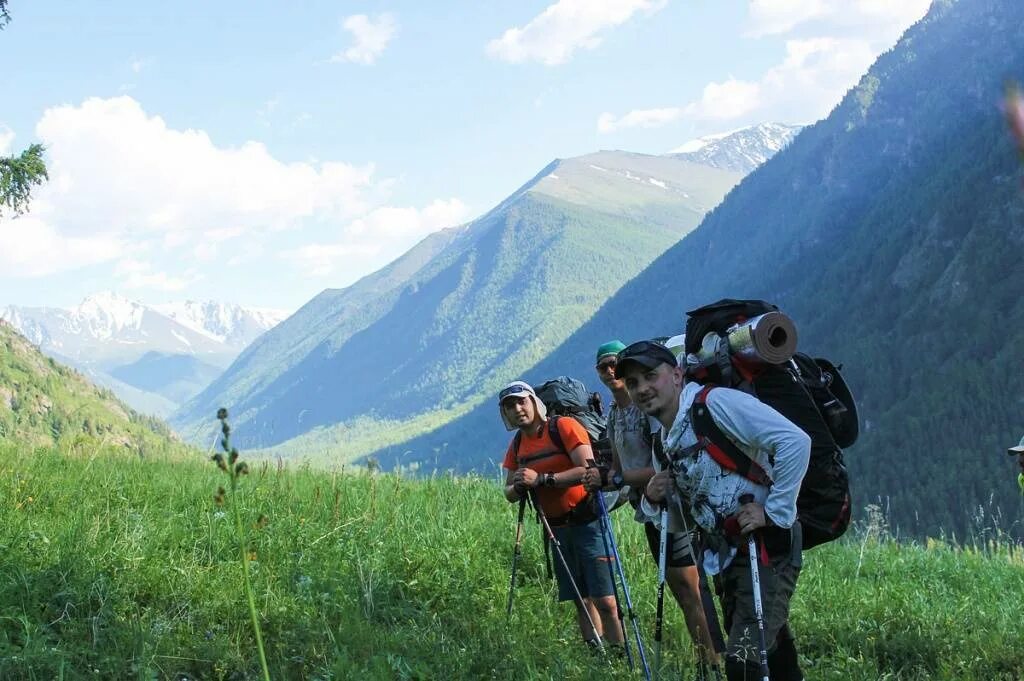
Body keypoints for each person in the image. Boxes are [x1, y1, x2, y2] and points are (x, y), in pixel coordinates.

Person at [615, 340, 810, 681]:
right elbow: (678, 522)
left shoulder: (716, 403)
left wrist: (774, 512)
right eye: (632, 383)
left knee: (745, 661)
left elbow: (795, 442)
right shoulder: (665, 439)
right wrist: (652, 498)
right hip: (726, 556)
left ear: (676, 375)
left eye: (650, 376)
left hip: (765, 547)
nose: (642, 388)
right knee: (771, 646)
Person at [584, 340, 722, 674]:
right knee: (679, 588)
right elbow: (619, 466)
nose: (611, 372)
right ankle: (706, 656)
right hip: (648, 508)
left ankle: (713, 660)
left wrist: (618, 480)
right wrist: (607, 478)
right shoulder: (616, 413)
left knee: (690, 587)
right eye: (604, 367)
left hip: (671, 506)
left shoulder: (647, 409)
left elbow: (663, 462)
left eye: (616, 364)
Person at [499, 380, 624, 651]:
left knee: (605, 599)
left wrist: (542, 479)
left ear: (534, 402)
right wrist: (519, 486)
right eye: (510, 406)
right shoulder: (518, 444)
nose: (518, 409)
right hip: (556, 529)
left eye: (522, 402)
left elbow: (587, 470)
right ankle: (597, 655)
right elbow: (509, 491)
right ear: (505, 414)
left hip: (587, 520)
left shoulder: (564, 427)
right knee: (580, 598)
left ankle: (619, 656)